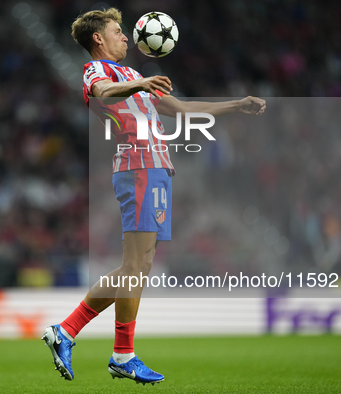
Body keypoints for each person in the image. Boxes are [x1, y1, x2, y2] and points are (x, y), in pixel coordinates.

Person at [42, 8, 266, 385]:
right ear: (98, 38)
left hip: (156, 170)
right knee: (134, 268)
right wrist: (141, 84)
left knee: (138, 269)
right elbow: (102, 92)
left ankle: (66, 332)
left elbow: (182, 109)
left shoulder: (130, 75)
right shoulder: (98, 71)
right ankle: (121, 354)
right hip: (138, 167)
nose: (126, 37)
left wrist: (236, 105)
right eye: (118, 31)